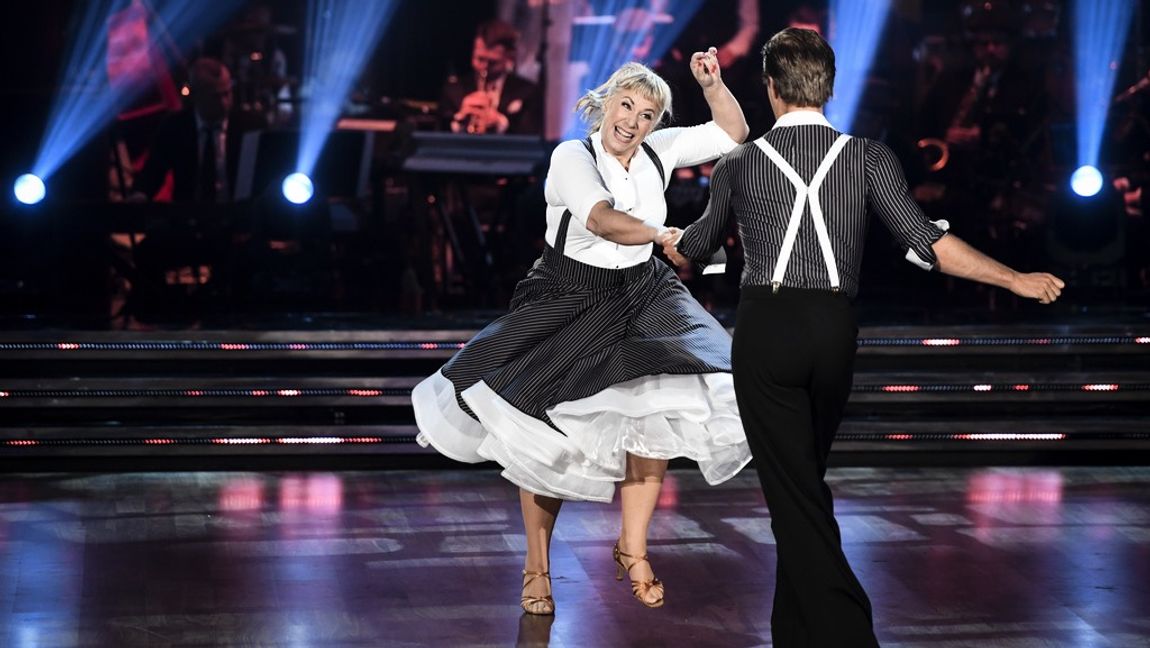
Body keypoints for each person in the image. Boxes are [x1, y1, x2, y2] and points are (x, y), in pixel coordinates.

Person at [664, 28, 1064, 646]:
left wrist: (661, 238)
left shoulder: (740, 164)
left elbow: (699, 246)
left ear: (769, 88)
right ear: (829, 85)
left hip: (768, 331)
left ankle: (848, 634)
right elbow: (927, 243)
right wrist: (1013, 278)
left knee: (795, 495)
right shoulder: (869, 158)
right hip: (832, 332)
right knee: (803, 488)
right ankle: (795, 632)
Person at [412, 51, 750, 615]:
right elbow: (599, 220)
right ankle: (537, 566)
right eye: (626, 106)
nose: (633, 122)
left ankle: (633, 549)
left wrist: (713, 84)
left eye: (646, 115)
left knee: (660, 413)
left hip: (644, 293)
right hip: (571, 296)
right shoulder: (572, 154)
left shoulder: (657, 152)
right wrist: (662, 232)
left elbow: (732, 132)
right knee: (546, 437)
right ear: (605, 103)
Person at [131, 58, 264, 202]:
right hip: (187, 217)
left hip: (238, 216)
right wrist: (139, 196)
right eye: (215, 96)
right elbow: (153, 171)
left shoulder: (249, 126)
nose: (224, 102)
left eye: (227, 93)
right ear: (196, 95)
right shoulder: (175, 127)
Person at [438, 19, 542, 135]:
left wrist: (500, 123)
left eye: (492, 62)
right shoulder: (453, 90)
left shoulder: (528, 91)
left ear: (509, 58)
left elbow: (532, 137)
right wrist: (460, 121)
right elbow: (439, 132)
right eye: (480, 59)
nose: (484, 67)